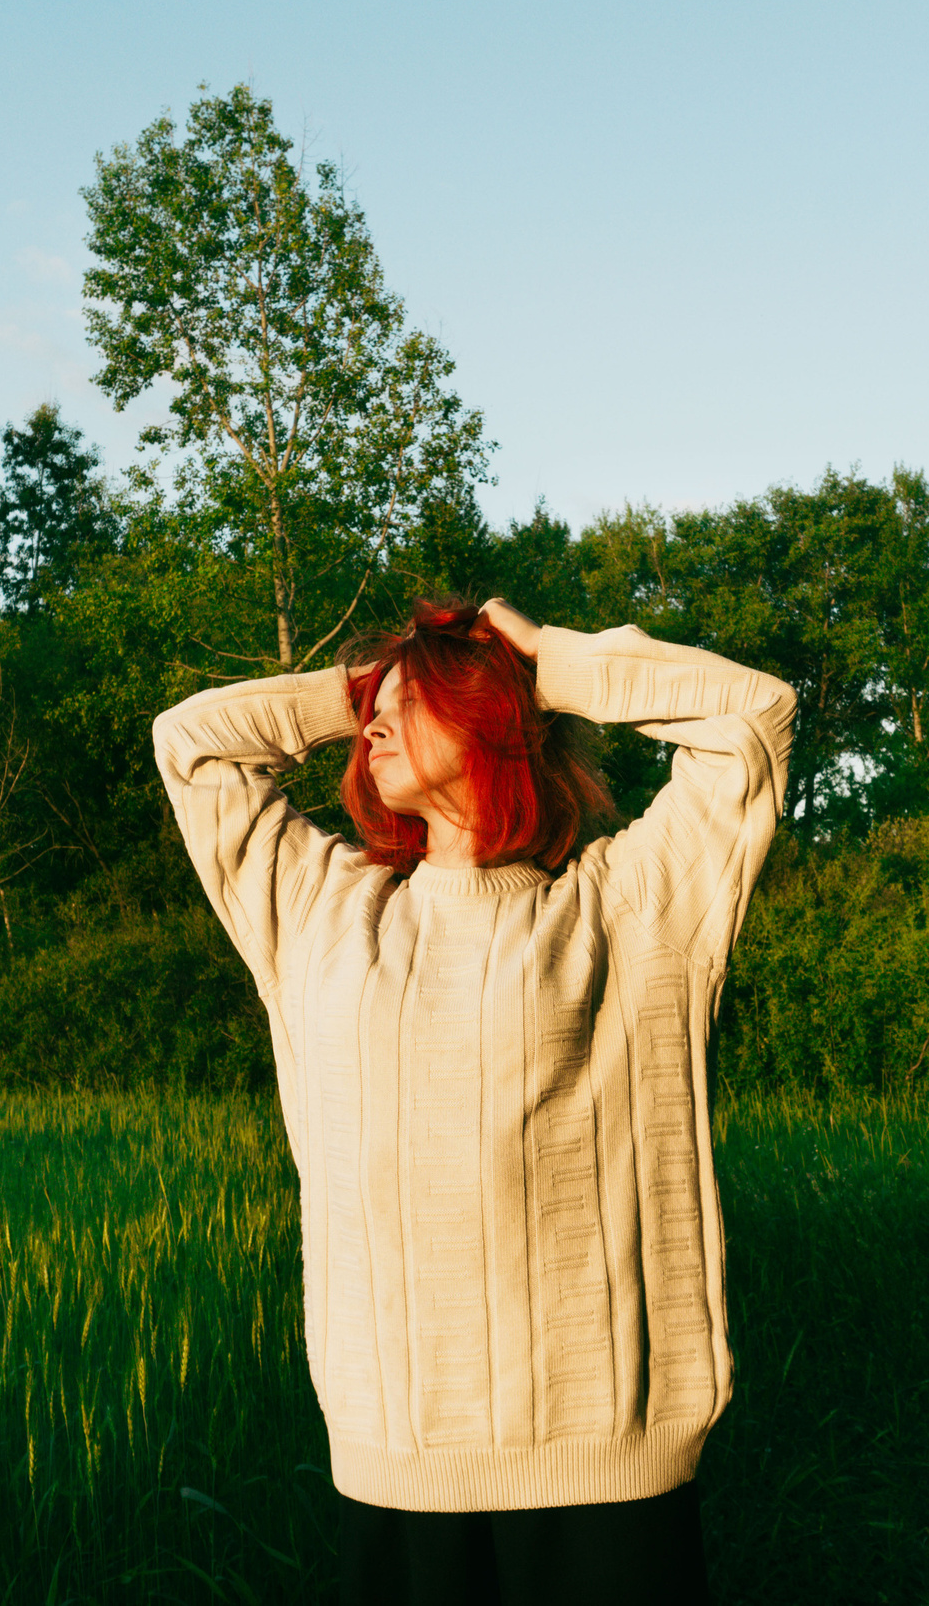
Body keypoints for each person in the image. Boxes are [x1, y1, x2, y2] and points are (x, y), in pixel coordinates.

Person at [152, 595, 796, 1606]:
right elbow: (190, 743)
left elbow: (748, 718)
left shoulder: (631, 912)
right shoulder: (320, 910)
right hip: (397, 1457)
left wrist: (550, 664)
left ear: (494, 717)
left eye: (409, 702)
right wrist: (360, 685)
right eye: (374, 709)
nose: (372, 726)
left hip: (608, 1462)